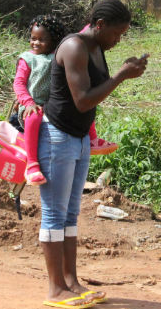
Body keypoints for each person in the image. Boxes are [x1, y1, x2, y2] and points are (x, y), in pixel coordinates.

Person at [37, 0, 148, 309]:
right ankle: (55, 288)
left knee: (70, 215)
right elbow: (84, 100)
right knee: (55, 214)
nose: (118, 39)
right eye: (117, 33)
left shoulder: (96, 47)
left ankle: (71, 282)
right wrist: (120, 77)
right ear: (100, 26)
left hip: (79, 138)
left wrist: (125, 71)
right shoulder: (74, 47)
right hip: (57, 137)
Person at [12, 15, 119, 186]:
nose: (36, 43)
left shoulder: (60, 52)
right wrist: (28, 102)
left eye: (41, 39)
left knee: (85, 104)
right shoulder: (28, 58)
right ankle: (32, 164)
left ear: (54, 40)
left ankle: (93, 139)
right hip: (34, 104)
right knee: (34, 117)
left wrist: (94, 27)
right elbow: (18, 83)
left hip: (54, 102)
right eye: (33, 39)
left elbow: (81, 34)